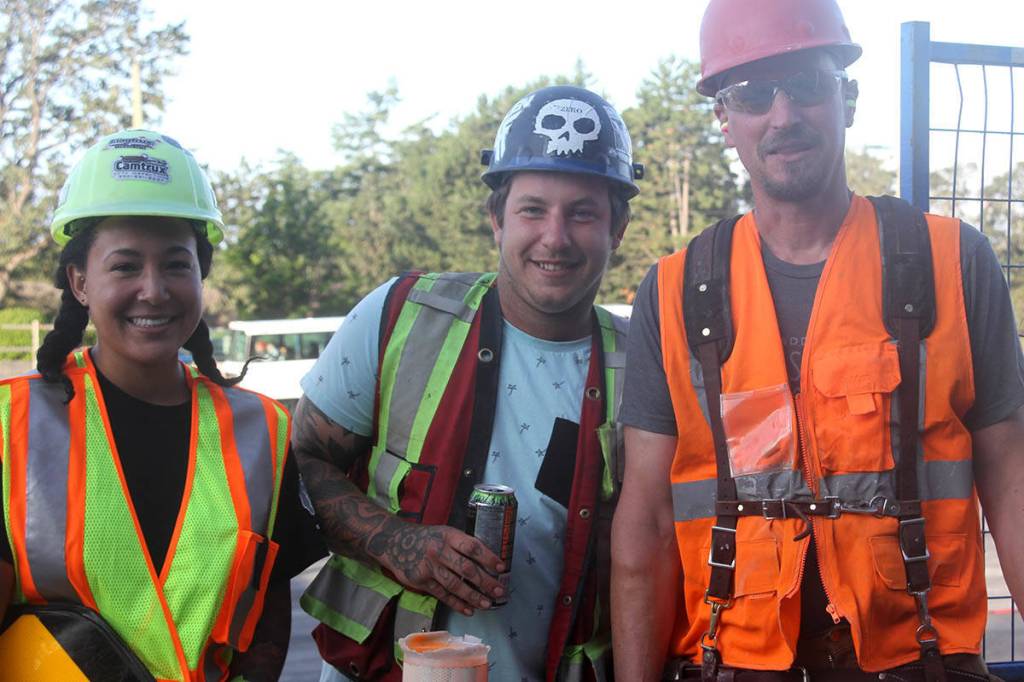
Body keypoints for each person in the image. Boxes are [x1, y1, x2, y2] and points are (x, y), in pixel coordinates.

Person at [611, 1, 1024, 680]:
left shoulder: (950, 262)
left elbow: (1012, 478)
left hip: (918, 656)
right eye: (751, 94)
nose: (782, 116)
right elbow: (648, 518)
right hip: (733, 658)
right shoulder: (679, 290)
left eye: (806, 83)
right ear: (723, 118)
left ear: (848, 98)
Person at [293, 85, 642, 681]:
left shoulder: (643, 372)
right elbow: (303, 462)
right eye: (533, 209)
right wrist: (396, 543)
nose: (554, 237)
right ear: (496, 219)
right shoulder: (399, 316)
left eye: (582, 212)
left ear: (618, 228)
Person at [0, 129, 324, 681]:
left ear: (202, 276)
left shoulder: (261, 432)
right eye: (125, 266)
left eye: (177, 265)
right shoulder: (15, 426)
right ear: (80, 282)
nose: (154, 290)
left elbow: (266, 624)